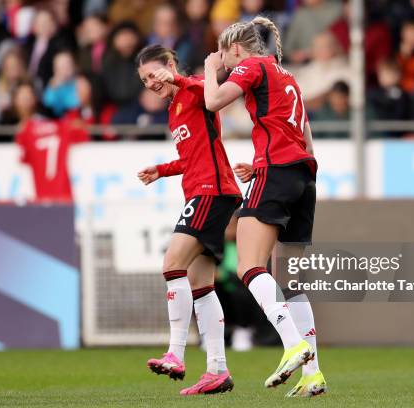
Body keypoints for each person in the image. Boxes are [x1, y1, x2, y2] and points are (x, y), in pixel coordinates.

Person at [202, 16, 327, 396]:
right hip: (303, 177)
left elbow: (212, 101)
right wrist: (263, 167)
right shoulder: (287, 76)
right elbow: (302, 137)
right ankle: (314, 375)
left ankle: (294, 345)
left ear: (235, 48)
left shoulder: (251, 64)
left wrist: (210, 70)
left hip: (277, 173)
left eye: (223, 54)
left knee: (248, 265)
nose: (220, 61)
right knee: (291, 283)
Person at [136, 45, 242, 395]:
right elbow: (190, 156)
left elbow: (211, 94)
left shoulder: (196, 87)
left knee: (172, 264)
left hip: (211, 191)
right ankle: (217, 370)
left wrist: (178, 79)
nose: (151, 83)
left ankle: (176, 353)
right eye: (144, 79)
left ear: (169, 65)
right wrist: (162, 170)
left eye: (154, 74)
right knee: (201, 285)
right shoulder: (174, 111)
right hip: (205, 190)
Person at [14, 81, 89, 202]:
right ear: (15, 100)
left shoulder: (34, 128)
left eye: (27, 97)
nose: (25, 102)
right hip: (46, 195)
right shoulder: (27, 128)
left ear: (34, 99)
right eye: (22, 97)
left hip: (48, 196)